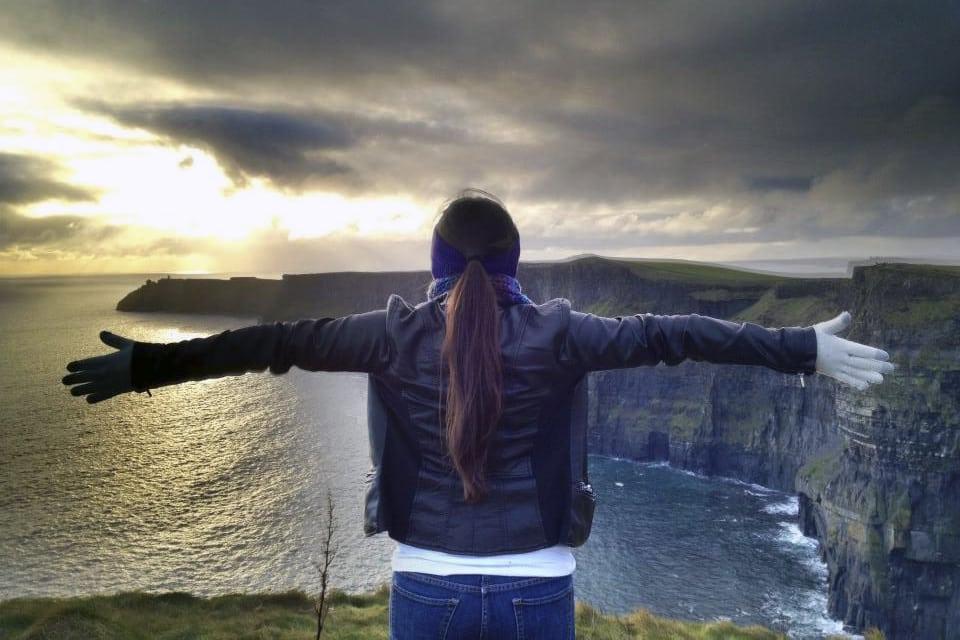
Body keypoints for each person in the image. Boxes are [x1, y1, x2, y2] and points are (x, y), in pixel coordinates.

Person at [62, 188, 894, 639]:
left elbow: (272, 341)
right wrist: (800, 350)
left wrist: (147, 366)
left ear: (433, 264)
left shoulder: (385, 335)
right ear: (514, 264)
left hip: (425, 588)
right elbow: (672, 335)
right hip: (539, 593)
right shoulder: (562, 334)